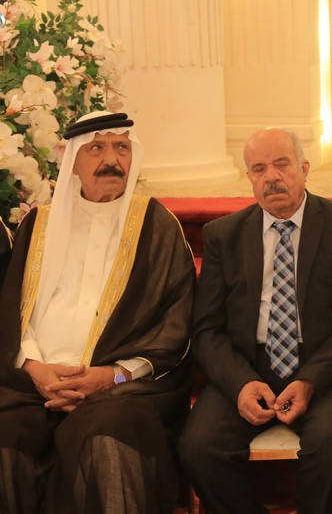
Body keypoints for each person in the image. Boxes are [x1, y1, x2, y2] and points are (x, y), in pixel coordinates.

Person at [0, 110, 196, 513]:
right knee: (6, 434)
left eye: (121, 147)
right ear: (72, 161)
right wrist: (35, 369)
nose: (112, 159)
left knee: (107, 438)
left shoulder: (157, 225)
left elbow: (174, 327)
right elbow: (12, 313)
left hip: (124, 390)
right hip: (34, 385)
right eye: (96, 149)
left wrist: (111, 376)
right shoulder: (38, 224)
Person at [181, 127, 332, 514]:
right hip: (248, 365)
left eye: (281, 164)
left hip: (325, 368)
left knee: (331, 442)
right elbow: (206, 328)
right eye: (259, 169)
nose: (271, 177)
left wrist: (309, 381)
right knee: (199, 447)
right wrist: (241, 383)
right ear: (249, 178)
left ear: (304, 168)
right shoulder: (224, 235)